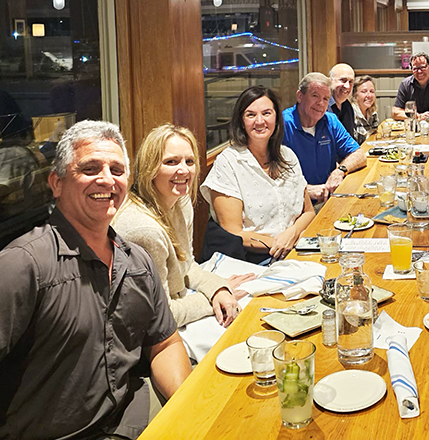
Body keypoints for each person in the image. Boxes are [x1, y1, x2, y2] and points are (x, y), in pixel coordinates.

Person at [0, 120, 191, 439]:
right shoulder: (23, 265)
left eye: (117, 170)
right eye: (90, 168)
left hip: (130, 417)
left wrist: (188, 406)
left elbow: (165, 343)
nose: (107, 179)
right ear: (56, 183)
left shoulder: (137, 261)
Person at [113, 124, 254, 328]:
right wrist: (210, 301)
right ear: (149, 168)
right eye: (171, 162)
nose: (184, 170)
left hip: (180, 304)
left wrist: (218, 289)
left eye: (189, 161)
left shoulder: (181, 201)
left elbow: (186, 266)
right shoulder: (144, 231)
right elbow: (159, 315)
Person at [203, 86, 316, 263]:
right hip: (251, 261)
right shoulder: (228, 162)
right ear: (241, 121)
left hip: (295, 250)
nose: (260, 121)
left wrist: (291, 234)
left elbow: (308, 212)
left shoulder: (288, 156)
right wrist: (279, 244)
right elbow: (234, 232)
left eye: (266, 113)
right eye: (250, 115)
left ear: (277, 118)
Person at [282, 73, 366, 204]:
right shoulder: (282, 124)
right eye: (315, 96)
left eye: (326, 99)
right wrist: (306, 190)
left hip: (328, 200)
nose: (320, 103)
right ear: (300, 96)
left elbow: (359, 155)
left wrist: (340, 171)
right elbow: (268, 178)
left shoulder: (330, 120)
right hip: (295, 204)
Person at [328, 63, 357, 141]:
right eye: (342, 80)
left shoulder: (347, 106)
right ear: (330, 81)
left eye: (351, 81)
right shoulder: (323, 107)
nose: (347, 86)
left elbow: (349, 139)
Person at [351, 75, 379, 145]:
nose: (369, 95)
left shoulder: (372, 112)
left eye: (372, 91)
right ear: (355, 95)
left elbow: (374, 136)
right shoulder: (351, 114)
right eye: (364, 91)